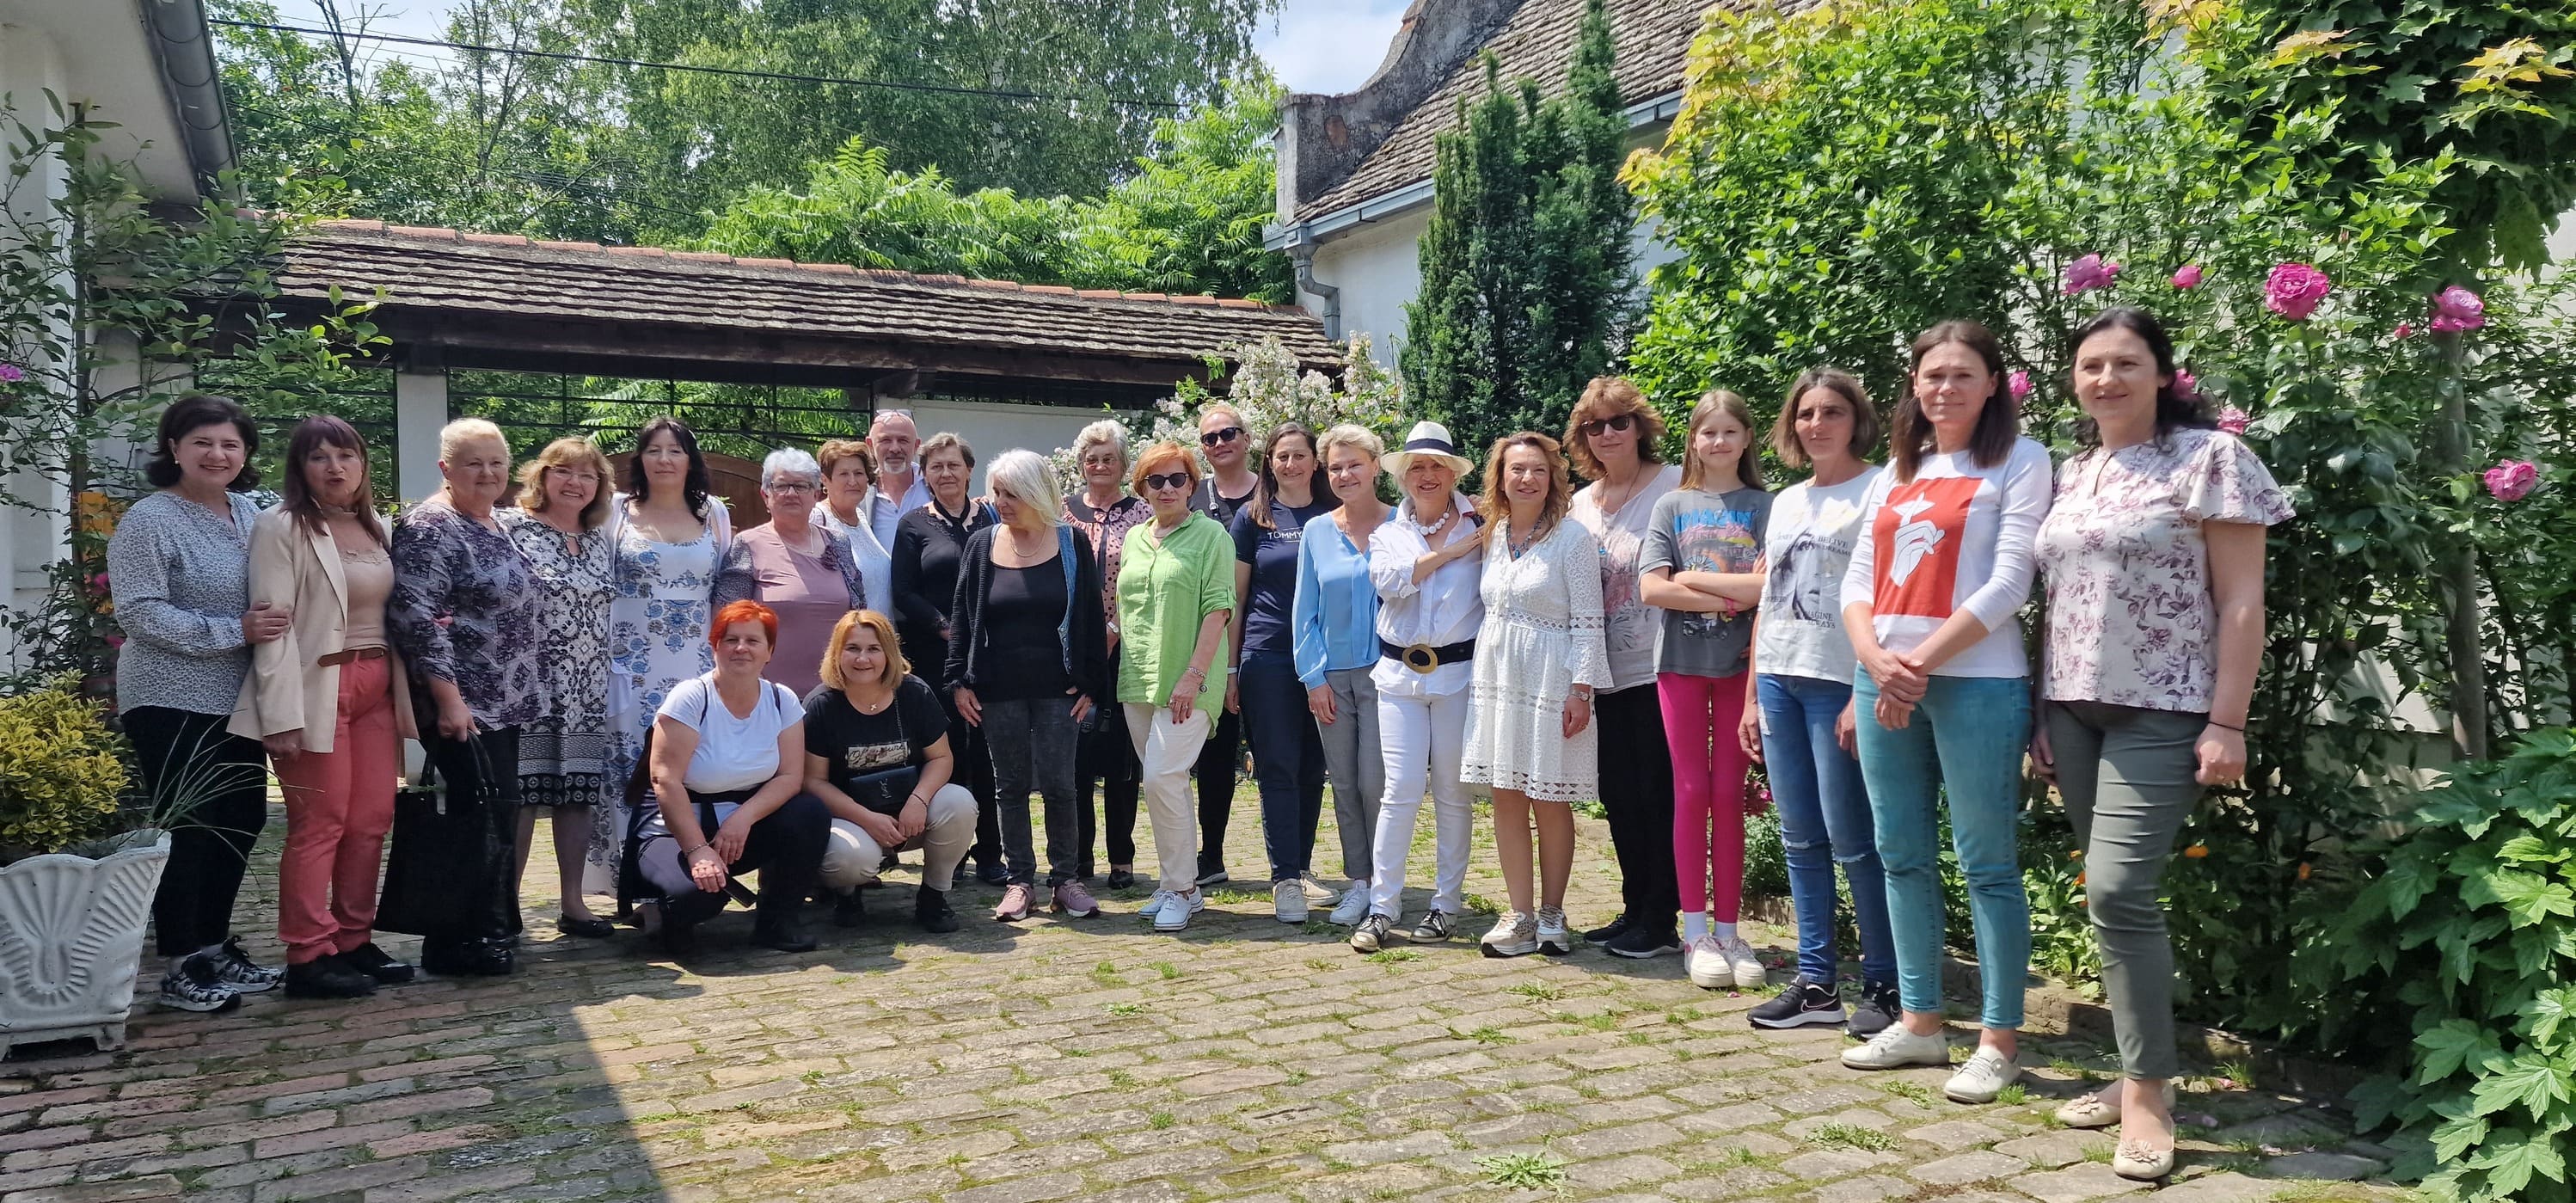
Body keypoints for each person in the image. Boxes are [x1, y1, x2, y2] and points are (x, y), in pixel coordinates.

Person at [2033, 309, 2289, 1182]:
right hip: (2073, 708)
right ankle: (2133, 1068)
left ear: (2163, 374)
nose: (2105, 379)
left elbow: (2241, 600)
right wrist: (2042, 710)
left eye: (2125, 363)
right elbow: (2060, 599)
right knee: (2110, 900)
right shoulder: (2073, 471)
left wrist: (2228, 721)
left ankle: (2147, 1094)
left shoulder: (2211, 458)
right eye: (2090, 365)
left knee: (2118, 889)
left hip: (2167, 707)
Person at [1837, 319, 2052, 1104]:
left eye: (1963, 374)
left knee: (1987, 862)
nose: (1946, 388)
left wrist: (1916, 665)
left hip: (1977, 684)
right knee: (1900, 853)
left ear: (1992, 384)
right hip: (1885, 679)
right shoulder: (1900, 470)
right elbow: (1858, 581)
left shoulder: (2021, 459)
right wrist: (1876, 661)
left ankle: (1999, 1040)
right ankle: (1922, 1022)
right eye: (1933, 375)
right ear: (1914, 385)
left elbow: (2011, 582)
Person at [108, 394, 287, 1013]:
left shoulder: (253, 512)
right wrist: (235, 630)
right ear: (175, 448)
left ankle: (213, 946)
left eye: (230, 444)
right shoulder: (151, 519)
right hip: (169, 694)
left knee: (243, 817)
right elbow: (138, 611)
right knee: (192, 824)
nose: (217, 454)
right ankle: (180, 963)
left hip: (241, 695)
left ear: (246, 452)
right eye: (203, 442)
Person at [233, 416, 415, 1000]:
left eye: (346, 455)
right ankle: (308, 953)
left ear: (363, 463)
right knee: (321, 824)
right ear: (300, 467)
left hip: (377, 687)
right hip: (316, 688)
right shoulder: (280, 525)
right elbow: (273, 627)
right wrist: (279, 714)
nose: (335, 467)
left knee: (371, 822)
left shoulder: (377, 525)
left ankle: (353, 939)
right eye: (319, 457)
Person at [1744, 368, 1901, 1034]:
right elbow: (1770, 599)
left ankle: (1887, 984)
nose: (1817, 424)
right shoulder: (1786, 501)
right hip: (1780, 677)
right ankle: (1816, 984)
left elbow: (1888, 595)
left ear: (1855, 419)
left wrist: (1864, 690)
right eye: (1806, 413)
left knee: (1853, 841)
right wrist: (1752, 694)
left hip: (1839, 681)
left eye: (1831, 411)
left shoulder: (1880, 487)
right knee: (1800, 837)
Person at [389, 418, 548, 978]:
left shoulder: (495, 520)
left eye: (496, 462)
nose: (488, 473)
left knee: (496, 811)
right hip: (464, 701)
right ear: (446, 468)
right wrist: (448, 699)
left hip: (505, 698)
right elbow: (415, 615)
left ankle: (488, 925)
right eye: (473, 463)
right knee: (472, 816)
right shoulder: (431, 525)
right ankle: (454, 940)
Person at [1639, 392, 1773, 991]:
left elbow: (1772, 588)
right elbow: (1653, 588)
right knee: (1692, 791)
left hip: (1742, 667)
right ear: (1693, 440)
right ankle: (1695, 932)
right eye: (1708, 432)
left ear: (1746, 439)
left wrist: (1691, 578)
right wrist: (1731, 595)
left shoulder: (1767, 506)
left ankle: (1730, 930)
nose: (1718, 442)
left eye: (1729, 431)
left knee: (1729, 794)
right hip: (1681, 664)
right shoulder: (1672, 504)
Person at [1463, 433, 1610, 960]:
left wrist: (1581, 690)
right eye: (1517, 469)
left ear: (1553, 479)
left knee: (1549, 796)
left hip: (1553, 680)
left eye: (1538, 470)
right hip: (1499, 680)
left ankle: (1552, 913)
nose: (1527, 478)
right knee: (1506, 794)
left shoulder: (1573, 538)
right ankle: (1519, 914)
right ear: (1500, 478)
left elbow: (1589, 620)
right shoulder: (1493, 534)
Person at [947, 451, 1111, 921]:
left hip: (1060, 690)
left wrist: (1092, 683)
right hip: (997, 690)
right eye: (997, 493)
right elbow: (963, 616)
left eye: (1012, 494)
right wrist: (958, 680)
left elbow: (1090, 615)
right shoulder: (982, 544)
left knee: (1061, 785)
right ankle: (1020, 882)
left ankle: (1066, 881)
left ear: (1037, 493)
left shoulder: (1071, 543)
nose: (1001, 502)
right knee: (1010, 787)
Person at [1350, 422, 1485, 954]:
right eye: (1417, 467)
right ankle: (1383, 906)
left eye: (1437, 466)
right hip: (1398, 676)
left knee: (1452, 792)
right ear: (1403, 476)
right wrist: (1449, 554)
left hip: (1459, 675)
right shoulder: (1388, 532)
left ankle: (1445, 904)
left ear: (1453, 474)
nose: (1427, 476)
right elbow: (1390, 584)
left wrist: (1465, 544)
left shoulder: (1483, 525)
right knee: (1400, 790)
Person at [1563, 378, 1686, 960]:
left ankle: (1662, 919)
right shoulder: (1581, 504)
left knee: (1657, 794)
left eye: (1619, 421)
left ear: (1640, 426)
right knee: (1618, 795)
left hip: (1661, 668)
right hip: (1601, 674)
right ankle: (1635, 907)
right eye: (1595, 425)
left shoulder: (1673, 486)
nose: (1607, 433)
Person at [633, 600, 830, 953]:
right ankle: (670, 916)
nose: (741, 648)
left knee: (809, 813)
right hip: (674, 830)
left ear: (769, 651)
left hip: (739, 829)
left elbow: (790, 776)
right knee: (700, 898)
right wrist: (697, 851)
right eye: (730, 639)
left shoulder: (782, 700)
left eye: (753, 641)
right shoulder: (690, 697)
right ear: (714, 646)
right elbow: (665, 780)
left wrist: (743, 819)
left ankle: (777, 923)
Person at [497, 437, 620, 942]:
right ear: (542, 476)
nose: (575, 483)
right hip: (530, 691)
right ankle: (506, 907)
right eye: (564, 471)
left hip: (586, 692)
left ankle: (573, 903)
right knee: (523, 799)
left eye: (588, 475)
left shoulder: (599, 540)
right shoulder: (511, 528)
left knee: (577, 795)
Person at [1114, 440, 1236, 932]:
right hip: (1138, 678)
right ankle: (1175, 884)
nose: (1167, 488)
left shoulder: (1211, 535)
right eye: (1156, 480)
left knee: (1162, 777)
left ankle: (1183, 889)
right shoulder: (1135, 538)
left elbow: (1219, 609)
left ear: (1192, 485)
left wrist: (1194, 675)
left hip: (1190, 680)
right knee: (1168, 785)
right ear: (1141, 487)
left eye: (1177, 479)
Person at [1227, 422, 1341, 923]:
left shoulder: (1336, 512)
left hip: (1327, 658)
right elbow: (1236, 599)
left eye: (1299, 455)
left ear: (1316, 462)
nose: (1290, 464)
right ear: (1269, 463)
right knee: (1277, 764)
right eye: (1281, 456)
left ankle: (1302, 865)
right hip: (1267, 654)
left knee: (1313, 766)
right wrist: (1231, 668)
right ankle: (1284, 878)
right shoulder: (1253, 517)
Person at [804, 610, 972, 932]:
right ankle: (847, 894)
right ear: (837, 653)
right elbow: (813, 781)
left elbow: (941, 758)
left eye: (873, 649)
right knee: (848, 859)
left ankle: (934, 895)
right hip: (851, 819)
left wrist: (919, 800)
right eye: (852, 648)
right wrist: (867, 819)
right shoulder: (821, 705)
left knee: (959, 803)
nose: (863, 659)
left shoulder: (914, 692)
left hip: (911, 814)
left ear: (889, 653)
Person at [607, 417, 733, 823]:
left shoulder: (712, 512)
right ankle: (624, 859)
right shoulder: (615, 511)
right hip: (629, 666)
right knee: (626, 767)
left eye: (675, 451)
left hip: (694, 662)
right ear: (640, 459)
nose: (664, 460)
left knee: (689, 762)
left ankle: (685, 854)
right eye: (654, 450)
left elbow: (722, 589)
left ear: (690, 460)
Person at [890, 431, 1002, 883]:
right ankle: (950, 854)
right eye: (936, 466)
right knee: (946, 752)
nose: (946, 473)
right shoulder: (913, 525)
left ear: (970, 470)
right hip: (936, 657)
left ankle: (992, 853)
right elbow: (903, 592)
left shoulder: (993, 518)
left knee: (989, 754)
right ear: (925, 476)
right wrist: (945, 627)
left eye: (954, 464)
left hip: (991, 655)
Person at [1292, 424, 1391, 927]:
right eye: (1336, 467)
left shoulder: (1401, 524)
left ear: (1375, 466)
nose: (1345, 474)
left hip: (1386, 676)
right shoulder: (1316, 531)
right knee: (1346, 784)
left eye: (1355, 464)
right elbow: (1303, 612)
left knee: (1377, 784)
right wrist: (1313, 679)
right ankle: (1359, 883)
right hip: (1331, 678)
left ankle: (1385, 885)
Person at [1063, 420, 1150, 887]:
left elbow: (1147, 581)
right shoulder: (1062, 512)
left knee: (1121, 758)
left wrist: (1114, 629)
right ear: (1081, 464)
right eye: (1091, 459)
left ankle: (1122, 855)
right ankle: (1079, 857)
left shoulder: (1142, 512)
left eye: (1108, 458)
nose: (1099, 466)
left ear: (1122, 464)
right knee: (1075, 755)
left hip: (1126, 649)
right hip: (1073, 650)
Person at [714, 448, 871, 698]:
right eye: (781, 486)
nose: (791, 493)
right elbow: (726, 620)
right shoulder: (748, 544)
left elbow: (859, 612)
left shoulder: (838, 542)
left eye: (801, 486)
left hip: (837, 694)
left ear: (816, 494)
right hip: (768, 695)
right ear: (765, 495)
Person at [1187, 402, 1258, 885]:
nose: (1219, 443)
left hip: (1267, 643)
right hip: (1210, 648)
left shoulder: (1271, 494)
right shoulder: (1191, 496)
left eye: (1228, 433)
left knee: (1278, 757)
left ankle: (1291, 866)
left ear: (1247, 438)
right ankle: (1210, 855)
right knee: (1214, 755)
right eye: (1210, 438)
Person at [817, 439, 895, 617]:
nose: (853, 481)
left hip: (881, 629)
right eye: (844, 474)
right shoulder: (818, 519)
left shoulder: (861, 516)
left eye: (858, 473)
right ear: (825, 480)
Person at [864, 410, 931, 554]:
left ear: (916, 446)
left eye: (903, 440)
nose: (894, 449)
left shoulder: (934, 487)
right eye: (885, 440)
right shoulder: (860, 494)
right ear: (870, 445)